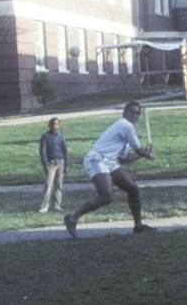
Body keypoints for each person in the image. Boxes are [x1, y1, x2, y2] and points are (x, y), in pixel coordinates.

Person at [64, 101, 156, 237]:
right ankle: (72, 217)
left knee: (133, 189)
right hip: (97, 159)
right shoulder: (125, 125)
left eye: (137, 113)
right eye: (131, 111)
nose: (134, 115)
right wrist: (148, 154)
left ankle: (138, 225)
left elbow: (124, 159)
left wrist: (142, 154)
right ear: (124, 112)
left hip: (109, 162)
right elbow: (139, 149)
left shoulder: (124, 132)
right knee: (106, 196)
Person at [38, 117, 68, 213]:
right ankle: (45, 206)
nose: (55, 126)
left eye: (56, 124)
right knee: (48, 185)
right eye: (53, 124)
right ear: (49, 125)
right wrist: (45, 164)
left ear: (58, 125)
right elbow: (43, 152)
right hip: (51, 164)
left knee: (59, 185)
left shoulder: (61, 137)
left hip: (61, 162)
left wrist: (66, 165)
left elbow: (65, 152)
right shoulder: (45, 137)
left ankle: (57, 205)